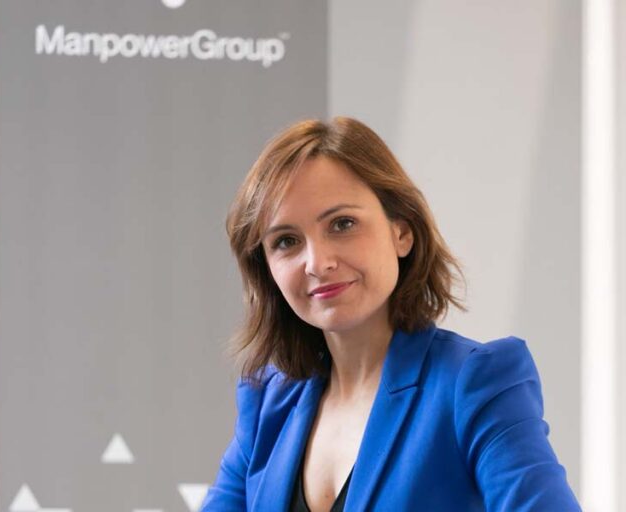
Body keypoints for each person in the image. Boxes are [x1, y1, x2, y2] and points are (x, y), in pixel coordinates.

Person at [201, 117, 581, 512]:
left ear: (401, 233)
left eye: (342, 224)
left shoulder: (475, 383)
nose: (317, 262)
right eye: (286, 241)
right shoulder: (268, 401)